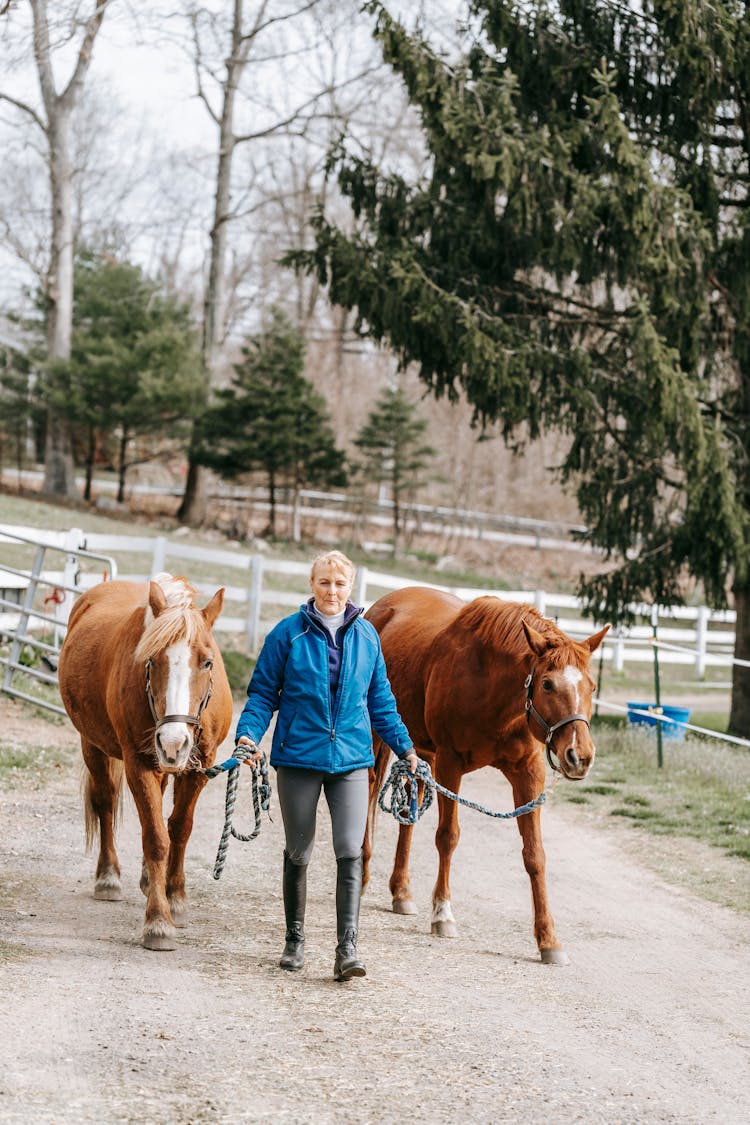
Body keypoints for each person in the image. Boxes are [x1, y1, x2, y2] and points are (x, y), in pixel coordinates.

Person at [235, 549, 417, 981]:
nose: (332, 591)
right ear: (312, 586)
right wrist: (248, 734)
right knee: (299, 851)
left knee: (351, 850)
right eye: (324, 583)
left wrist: (407, 749)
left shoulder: (368, 638)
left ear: (350, 588)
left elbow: (381, 703)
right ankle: (294, 941)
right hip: (299, 757)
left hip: (353, 759)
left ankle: (347, 949)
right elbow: (262, 693)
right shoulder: (287, 635)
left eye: (339, 584)